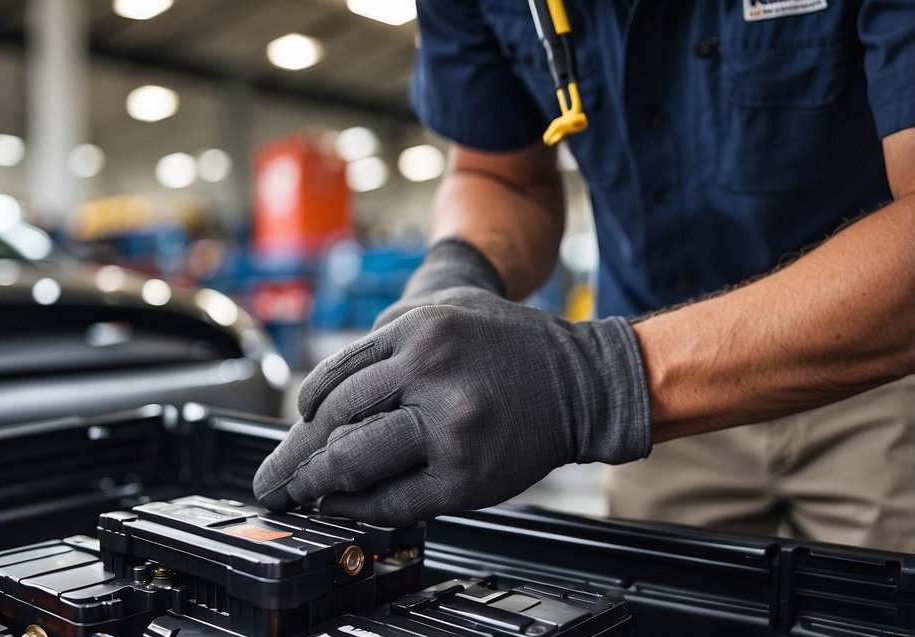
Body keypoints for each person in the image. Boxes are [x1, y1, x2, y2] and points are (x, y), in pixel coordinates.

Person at [253, 0, 915, 551]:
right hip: (666, 418)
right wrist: (454, 276)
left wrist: (591, 382)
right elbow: (497, 174)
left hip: (873, 374)